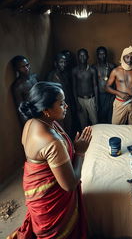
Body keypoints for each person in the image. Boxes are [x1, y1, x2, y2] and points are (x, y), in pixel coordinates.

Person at [8, 81, 92, 238]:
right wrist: (80, 152)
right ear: (46, 110)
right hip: (51, 204)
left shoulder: (31, 123)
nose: (66, 106)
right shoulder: (51, 141)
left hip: (36, 189)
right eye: (61, 103)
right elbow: (69, 184)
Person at [105, 46, 132, 125]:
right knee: (116, 127)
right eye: (127, 57)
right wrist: (119, 93)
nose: (129, 60)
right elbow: (106, 87)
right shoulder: (116, 71)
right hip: (120, 102)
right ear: (123, 57)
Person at [48, 53, 76, 139]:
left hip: (67, 104)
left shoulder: (65, 74)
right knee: (61, 127)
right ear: (55, 63)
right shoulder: (51, 77)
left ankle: (70, 144)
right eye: (61, 62)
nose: (64, 64)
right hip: (58, 107)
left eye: (65, 62)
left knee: (69, 124)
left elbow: (69, 90)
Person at [72, 48, 98, 128]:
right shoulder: (75, 71)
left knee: (95, 122)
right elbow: (74, 87)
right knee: (83, 123)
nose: (82, 57)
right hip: (80, 100)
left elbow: (95, 86)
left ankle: (97, 139)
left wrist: (96, 101)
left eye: (84, 55)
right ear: (78, 57)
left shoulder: (92, 70)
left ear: (88, 57)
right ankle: (86, 140)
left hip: (91, 99)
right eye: (80, 56)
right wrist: (77, 103)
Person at [11, 55, 38, 126]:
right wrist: (28, 126)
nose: (26, 68)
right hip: (32, 118)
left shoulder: (34, 77)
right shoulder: (18, 86)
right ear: (17, 69)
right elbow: (21, 110)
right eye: (22, 67)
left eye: (27, 65)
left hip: (43, 112)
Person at [92, 46, 116, 123]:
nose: (102, 56)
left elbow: (115, 82)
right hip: (99, 95)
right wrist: (95, 98)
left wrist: (113, 96)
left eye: (103, 54)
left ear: (106, 55)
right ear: (97, 55)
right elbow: (93, 84)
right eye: (100, 54)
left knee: (110, 114)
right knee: (100, 114)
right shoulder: (94, 67)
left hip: (109, 95)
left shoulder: (111, 66)